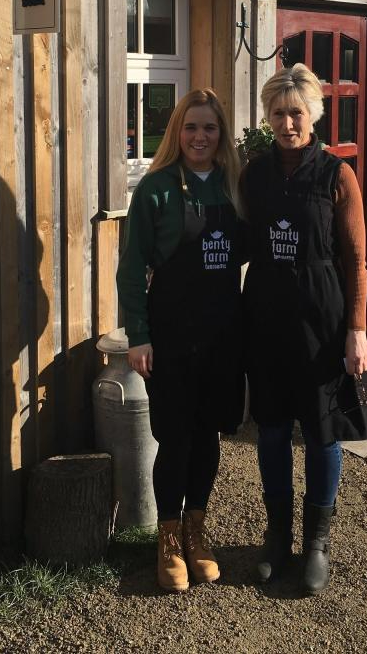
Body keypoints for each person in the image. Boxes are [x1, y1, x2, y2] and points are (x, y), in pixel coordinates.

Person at [239, 62, 367, 595]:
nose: (287, 122)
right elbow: (238, 240)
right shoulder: (254, 174)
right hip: (266, 318)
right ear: (267, 118)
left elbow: (357, 257)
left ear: (312, 114)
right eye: (278, 113)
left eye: (296, 112)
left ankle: (316, 542)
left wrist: (357, 330)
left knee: (322, 432)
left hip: (322, 319)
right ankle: (277, 536)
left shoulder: (337, 175)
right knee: (270, 430)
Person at [116, 88, 244, 593]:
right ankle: (167, 537)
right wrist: (139, 336)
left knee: (208, 436)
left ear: (221, 134)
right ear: (177, 132)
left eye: (209, 127)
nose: (200, 137)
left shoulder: (235, 186)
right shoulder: (156, 190)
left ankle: (197, 528)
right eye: (191, 127)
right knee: (175, 439)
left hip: (221, 337)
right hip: (170, 337)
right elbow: (131, 271)